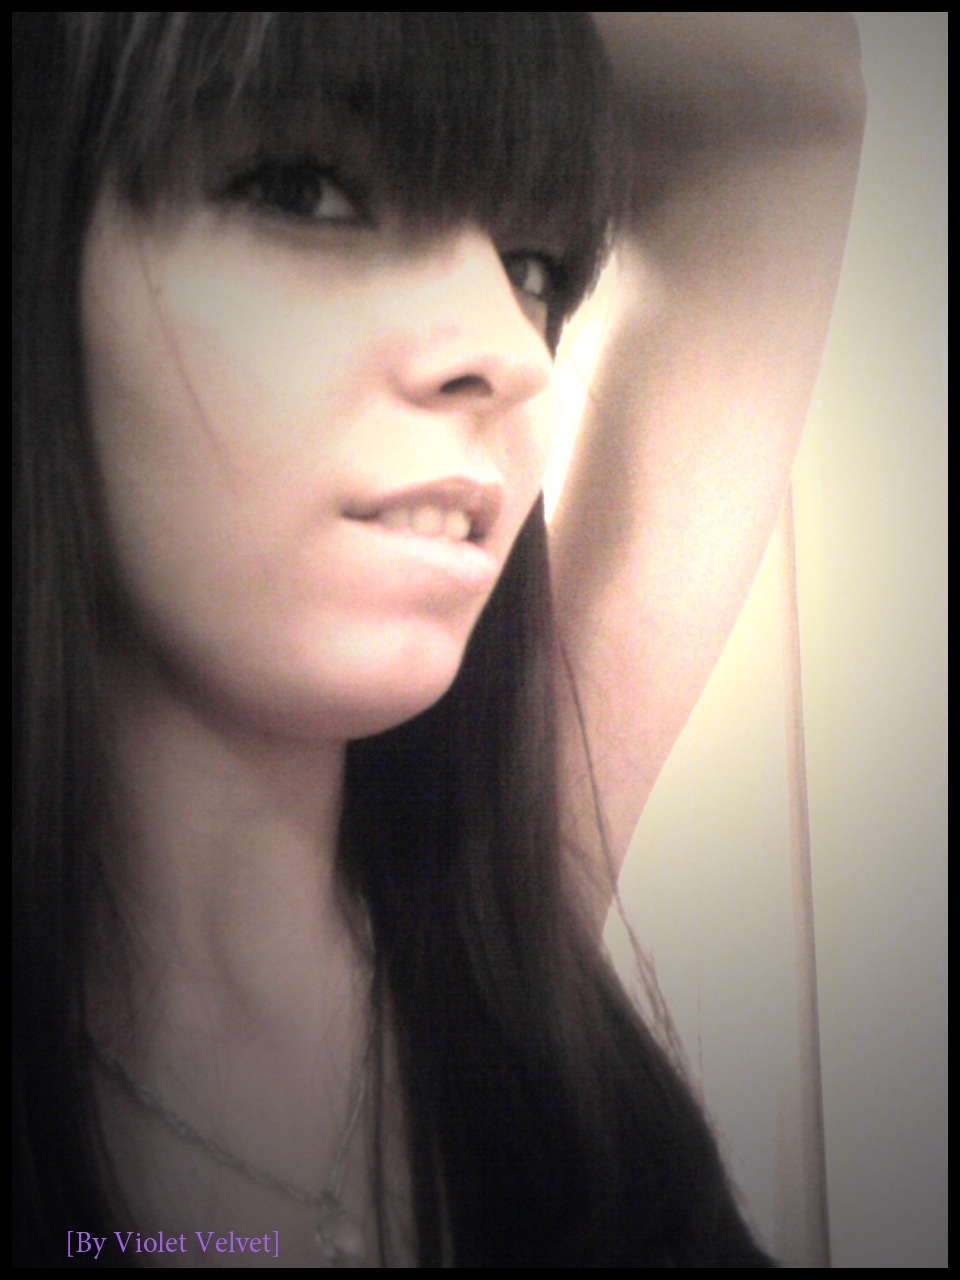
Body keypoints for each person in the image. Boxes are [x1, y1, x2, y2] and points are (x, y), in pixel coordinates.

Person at [13, 13, 866, 1268]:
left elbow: (798, 95)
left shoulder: (495, 940)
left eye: (534, 265)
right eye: (305, 190)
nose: (513, 355)